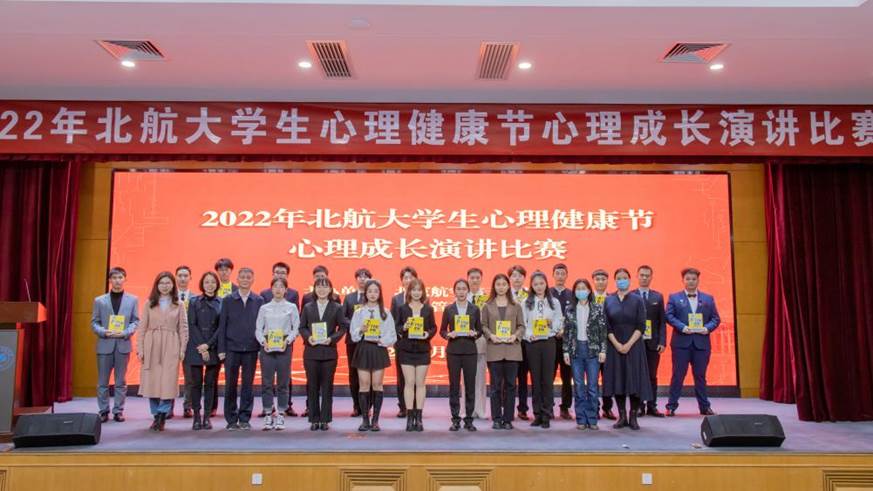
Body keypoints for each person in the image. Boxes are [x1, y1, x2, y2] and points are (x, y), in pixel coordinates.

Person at [665, 267, 721, 417]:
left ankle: (704, 407)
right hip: (681, 344)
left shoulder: (708, 298)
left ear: (698, 280)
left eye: (694, 279)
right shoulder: (674, 297)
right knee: (678, 375)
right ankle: (671, 406)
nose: (691, 282)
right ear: (683, 280)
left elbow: (716, 319)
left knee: (700, 376)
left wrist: (706, 328)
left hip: (701, 344)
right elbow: (669, 316)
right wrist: (682, 327)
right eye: (688, 279)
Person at [137, 271, 188, 432]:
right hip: (152, 344)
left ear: (173, 285)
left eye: (168, 283)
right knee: (152, 381)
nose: (165, 286)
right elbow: (142, 328)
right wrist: (140, 349)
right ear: (156, 285)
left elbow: (183, 329)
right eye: (162, 283)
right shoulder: (149, 303)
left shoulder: (179, 304)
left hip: (171, 344)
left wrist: (182, 349)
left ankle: (162, 415)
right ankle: (155, 415)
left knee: (168, 381)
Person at [602, 268, 652, 430]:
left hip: (634, 346)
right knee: (618, 380)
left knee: (634, 381)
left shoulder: (637, 300)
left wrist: (629, 344)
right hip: (614, 346)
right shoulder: (608, 300)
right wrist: (617, 344)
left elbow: (641, 325)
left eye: (624, 278)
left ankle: (633, 416)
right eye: (619, 278)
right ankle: (622, 416)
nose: (621, 281)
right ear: (615, 281)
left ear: (630, 280)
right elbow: (606, 326)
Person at [217, 267, 264, 431]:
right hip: (231, 349)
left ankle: (244, 418)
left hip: (251, 348)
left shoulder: (258, 300)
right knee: (230, 384)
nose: (245, 279)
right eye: (242, 277)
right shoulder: (228, 300)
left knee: (247, 385)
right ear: (237, 279)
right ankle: (231, 419)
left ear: (253, 280)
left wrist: (261, 347)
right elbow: (222, 326)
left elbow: (261, 326)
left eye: (248, 277)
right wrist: (221, 349)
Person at [90, 266, 139, 423]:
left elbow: (135, 321)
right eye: (114, 278)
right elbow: (94, 322)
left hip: (123, 344)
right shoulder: (99, 300)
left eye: (120, 277)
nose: (117, 281)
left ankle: (118, 410)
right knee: (102, 382)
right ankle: (103, 410)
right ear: (110, 280)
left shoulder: (132, 300)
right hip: (105, 344)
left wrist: (126, 332)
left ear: (125, 279)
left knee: (120, 382)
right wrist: (104, 332)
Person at [300, 277, 348, 431]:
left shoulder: (337, 307)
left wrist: (332, 339)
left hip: (329, 352)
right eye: (319, 287)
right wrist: (308, 337)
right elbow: (302, 327)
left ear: (330, 289)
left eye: (325, 286)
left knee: (327, 387)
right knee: (312, 386)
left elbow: (342, 328)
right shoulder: (308, 307)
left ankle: (325, 419)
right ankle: (314, 419)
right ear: (314, 289)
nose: (322, 289)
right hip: (311, 352)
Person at [349, 279, 397, 432]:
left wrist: (381, 339)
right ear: (365, 293)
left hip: (378, 349)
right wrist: (361, 330)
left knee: (377, 384)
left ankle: (375, 420)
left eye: (376, 291)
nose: (372, 294)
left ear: (380, 293)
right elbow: (353, 335)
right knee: (364, 384)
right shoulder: (359, 312)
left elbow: (392, 335)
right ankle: (365, 420)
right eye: (370, 291)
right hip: (363, 349)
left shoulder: (385, 312)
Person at [480, 273, 525, 430]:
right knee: (495, 387)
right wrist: (491, 335)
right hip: (495, 349)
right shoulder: (487, 306)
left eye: (504, 284)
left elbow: (521, 326)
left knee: (511, 386)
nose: (501, 287)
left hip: (512, 350)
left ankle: (508, 419)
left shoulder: (516, 305)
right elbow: (483, 325)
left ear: (508, 286)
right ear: (494, 286)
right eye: (498, 284)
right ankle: (497, 418)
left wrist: (515, 336)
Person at [255, 277, 299, 431]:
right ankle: (268, 413)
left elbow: (296, 328)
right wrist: (263, 342)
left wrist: (288, 341)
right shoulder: (264, 308)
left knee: (283, 382)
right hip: (267, 346)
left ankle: (281, 414)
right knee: (266, 382)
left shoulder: (291, 307)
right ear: (271, 289)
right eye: (275, 286)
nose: (278, 289)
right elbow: (258, 329)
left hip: (284, 346)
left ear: (286, 290)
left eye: (281, 286)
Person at [562, 278, 607, 430]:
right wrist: (566, 351)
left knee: (593, 387)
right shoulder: (569, 309)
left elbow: (603, 331)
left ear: (589, 290)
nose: (581, 291)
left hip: (592, 350)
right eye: (578, 288)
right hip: (576, 351)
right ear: (575, 292)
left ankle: (592, 419)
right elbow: (567, 333)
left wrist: (603, 350)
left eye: (584, 288)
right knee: (579, 386)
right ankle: (581, 419)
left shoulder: (597, 308)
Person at [521, 271, 563, 429]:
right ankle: (537, 413)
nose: (539, 287)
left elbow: (559, 320)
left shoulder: (554, 302)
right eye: (535, 284)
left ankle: (547, 413)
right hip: (532, 343)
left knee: (547, 379)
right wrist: (528, 335)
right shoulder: (526, 302)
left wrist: (553, 325)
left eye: (541, 283)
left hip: (548, 342)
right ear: (531, 286)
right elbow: (523, 323)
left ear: (546, 284)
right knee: (535, 378)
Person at [440, 279, 483, 432]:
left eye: (464, 289)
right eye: (458, 289)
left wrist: (474, 333)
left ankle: (469, 419)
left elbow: (480, 330)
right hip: (454, 351)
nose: (461, 291)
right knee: (454, 386)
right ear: (454, 291)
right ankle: (455, 419)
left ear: (468, 291)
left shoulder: (475, 309)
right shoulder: (449, 309)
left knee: (470, 386)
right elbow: (442, 330)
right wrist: (448, 334)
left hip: (470, 351)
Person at [395, 278, 437, 432]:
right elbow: (397, 327)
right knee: (409, 382)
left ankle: (418, 418)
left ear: (423, 292)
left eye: (419, 290)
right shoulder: (402, 308)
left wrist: (427, 334)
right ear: (409, 291)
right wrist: (403, 327)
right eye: (414, 290)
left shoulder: (428, 309)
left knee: (420, 383)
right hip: (406, 349)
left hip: (422, 349)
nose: (416, 293)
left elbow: (433, 327)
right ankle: (409, 417)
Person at [185, 271, 222, 430]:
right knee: (196, 383)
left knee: (210, 384)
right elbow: (191, 324)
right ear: (202, 284)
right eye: (207, 282)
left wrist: (209, 345)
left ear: (217, 284)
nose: (210, 285)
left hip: (213, 347)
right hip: (195, 346)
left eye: (213, 282)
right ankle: (196, 417)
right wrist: (201, 345)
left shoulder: (222, 302)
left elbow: (221, 327)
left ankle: (207, 417)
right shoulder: (194, 301)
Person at [633, 265, 667, 418]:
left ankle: (652, 406)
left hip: (653, 343)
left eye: (647, 275)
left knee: (652, 375)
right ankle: (639, 406)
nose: (644, 278)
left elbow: (662, 322)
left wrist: (662, 341)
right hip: (635, 342)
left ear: (651, 277)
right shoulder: (631, 295)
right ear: (637, 276)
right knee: (638, 375)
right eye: (642, 275)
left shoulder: (658, 297)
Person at [342, 268, 372, 417]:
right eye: (360, 276)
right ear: (356, 279)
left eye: (365, 276)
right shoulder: (349, 298)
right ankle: (356, 405)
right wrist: (356, 326)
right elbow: (343, 318)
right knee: (354, 374)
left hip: (370, 340)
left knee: (368, 373)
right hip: (353, 341)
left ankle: (368, 405)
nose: (362, 279)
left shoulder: (372, 297)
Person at [390, 266, 418, 418]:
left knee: (416, 377)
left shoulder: (423, 298)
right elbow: (393, 323)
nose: (408, 280)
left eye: (411, 277)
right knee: (402, 377)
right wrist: (401, 330)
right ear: (402, 281)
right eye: (405, 278)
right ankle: (403, 407)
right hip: (402, 343)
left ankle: (415, 406)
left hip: (419, 343)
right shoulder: (396, 299)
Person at [549, 263, 574, 420]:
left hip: (567, 341)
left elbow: (574, 317)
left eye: (562, 273)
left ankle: (565, 407)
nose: (560, 276)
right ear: (553, 275)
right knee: (548, 376)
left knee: (567, 376)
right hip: (550, 340)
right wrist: (553, 330)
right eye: (557, 273)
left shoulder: (572, 294)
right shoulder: (547, 294)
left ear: (566, 275)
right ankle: (549, 406)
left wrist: (564, 330)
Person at [507, 265, 531, 420]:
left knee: (523, 376)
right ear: (509, 278)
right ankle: (505, 407)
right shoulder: (504, 294)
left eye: (520, 276)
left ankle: (522, 408)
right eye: (514, 276)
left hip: (525, 340)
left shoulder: (530, 295)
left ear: (524, 278)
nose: (517, 279)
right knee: (507, 377)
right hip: (508, 340)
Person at [591, 268, 615, 420]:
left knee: (608, 378)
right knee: (593, 378)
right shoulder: (588, 298)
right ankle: (594, 407)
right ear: (593, 281)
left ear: (607, 281)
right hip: (592, 345)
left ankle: (607, 408)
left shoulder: (613, 299)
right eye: (597, 279)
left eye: (603, 279)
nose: (600, 282)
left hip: (609, 344)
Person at [466, 267, 489, 420]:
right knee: (466, 378)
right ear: (468, 279)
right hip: (465, 341)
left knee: (480, 377)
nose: (474, 280)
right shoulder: (462, 296)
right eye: (472, 277)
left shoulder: (486, 299)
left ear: (481, 279)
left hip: (481, 341)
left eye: (477, 277)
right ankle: (466, 410)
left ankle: (480, 409)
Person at [175, 265, 194, 419]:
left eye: (185, 275)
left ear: (190, 278)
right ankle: (167, 407)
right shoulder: (168, 297)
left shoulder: (195, 298)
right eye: (180, 275)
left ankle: (188, 406)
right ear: (175, 277)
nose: (182, 278)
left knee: (190, 378)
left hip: (190, 342)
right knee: (169, 376)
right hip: (171, 341)